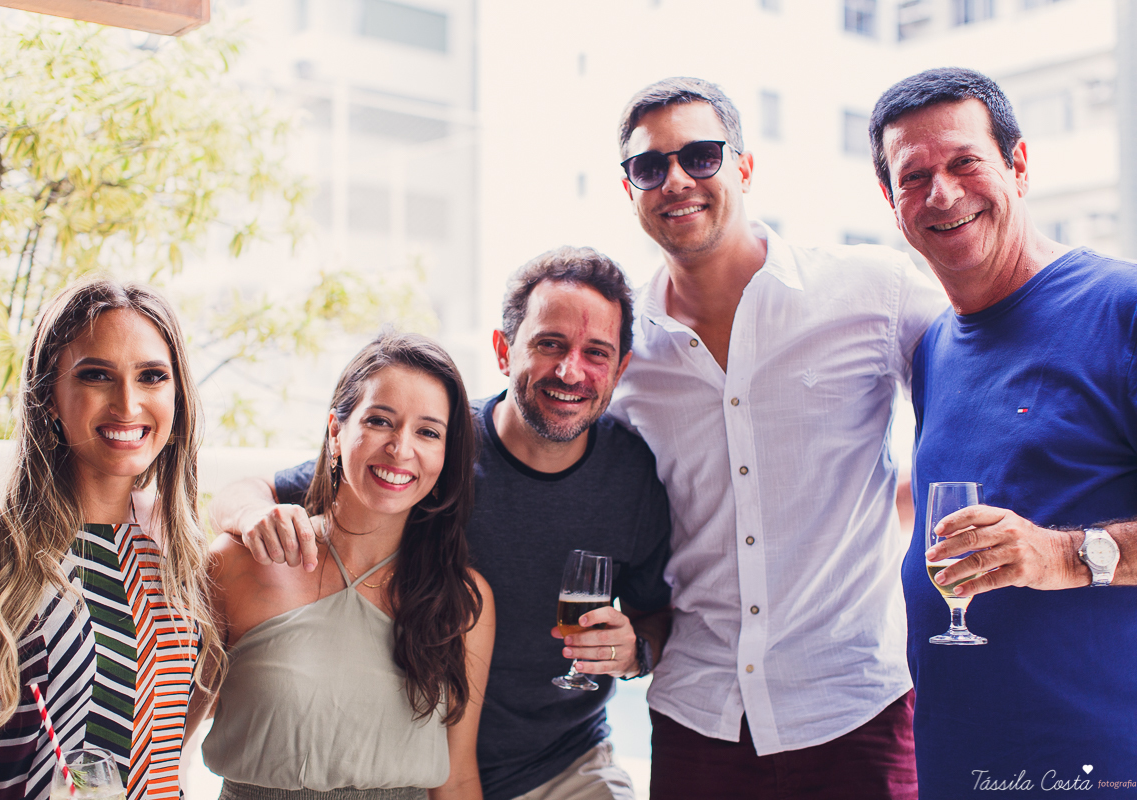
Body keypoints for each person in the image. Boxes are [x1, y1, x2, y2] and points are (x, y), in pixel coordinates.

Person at [210, 247, 673, 800]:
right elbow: (258, 490)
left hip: (562, 763)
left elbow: (656, 617)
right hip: (425, 759)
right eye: (549, 343)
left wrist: (636, 651)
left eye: (596, 352)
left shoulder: (632, 477)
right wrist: (251, 516)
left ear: (620, 368)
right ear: (504, 350)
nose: (570, 370)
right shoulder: (433, 443)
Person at [605, 77, 950, 800]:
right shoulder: (625, 352)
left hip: (856, 708)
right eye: (649, 166)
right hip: (696, 716)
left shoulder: (873, 288)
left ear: (745, 168)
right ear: (630, 187)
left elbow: (984, 382)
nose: (676, 180)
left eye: (701, 156)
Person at [870, 67, 1137, 797]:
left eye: (965, 163)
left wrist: (1063, 556)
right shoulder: (933, 350)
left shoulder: (1122, 306)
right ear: (891, 203)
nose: (943, 194)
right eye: (914, 177)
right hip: (961, 769)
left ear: (1018, 166)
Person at [0, 277, 223, 800]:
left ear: (177, 397)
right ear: (48, 395)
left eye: (152, 377)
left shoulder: (177, 541)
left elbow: (169, 738)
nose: (128, 403)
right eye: (96, 376)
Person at [196, 332, 495, 800]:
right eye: (380, 421)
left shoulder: (462, 600)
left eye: (428, 432)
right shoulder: (236, 564)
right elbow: (165, 739)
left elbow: (456, 778)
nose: (401, 448)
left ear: (444, 457)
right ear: (336, 432)